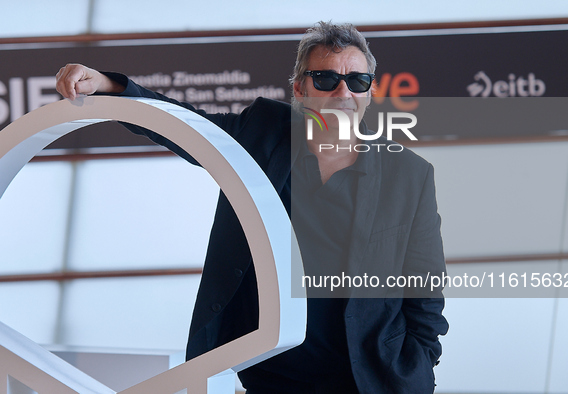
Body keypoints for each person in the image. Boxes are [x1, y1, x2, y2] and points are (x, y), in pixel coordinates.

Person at [56, 21, 448, 393]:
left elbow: (425, 290)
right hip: (272, 376)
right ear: (299, 89)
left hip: (370, 378)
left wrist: (419, 364)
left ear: (369, 92)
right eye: (326, 79)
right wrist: (109, 85)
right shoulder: (262, 134)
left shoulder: (409, 175)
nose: (342, 94)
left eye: (357, 81)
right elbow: (184, 127)